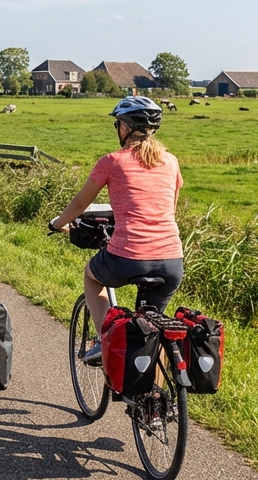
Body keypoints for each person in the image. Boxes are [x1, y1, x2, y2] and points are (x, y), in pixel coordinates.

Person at [49, 95, 183, 365]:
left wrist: (57, 224)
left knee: (92, 275)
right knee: (152, 332)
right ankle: (154, 402)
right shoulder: (171, 161)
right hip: (172, 261)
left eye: (118, 125)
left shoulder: (112, 161)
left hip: (128, 256)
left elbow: (79, 203)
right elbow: (168, 208)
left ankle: (103, 339)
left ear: (125, 128)